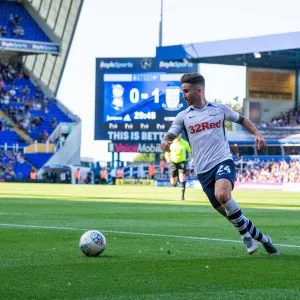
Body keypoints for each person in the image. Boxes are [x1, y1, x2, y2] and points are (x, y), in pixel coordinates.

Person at [161, 73, 279, 256]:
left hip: (223, 161)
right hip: (203, 171)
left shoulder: (219, 109)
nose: (183, 95)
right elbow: (170, 134)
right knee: (233, 216)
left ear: (198, 90)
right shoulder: (183, 116)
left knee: (223, 194)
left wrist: (257, 134)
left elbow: (243, 120)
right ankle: (265, 240)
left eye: (186, 91)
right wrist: (165, 141)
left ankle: (245, 236)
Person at [165, 133, 191, 200]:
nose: (178, 136)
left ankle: (182, 196)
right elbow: (167, 153)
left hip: (181, 162)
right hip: (173, 163)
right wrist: (168, 158)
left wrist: (191, 157)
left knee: (182, 177)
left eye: (179, 134)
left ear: (181, 135)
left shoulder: (185, 143)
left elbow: (190, 151)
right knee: (173, 182)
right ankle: (174, 184)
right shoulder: (170, 143)